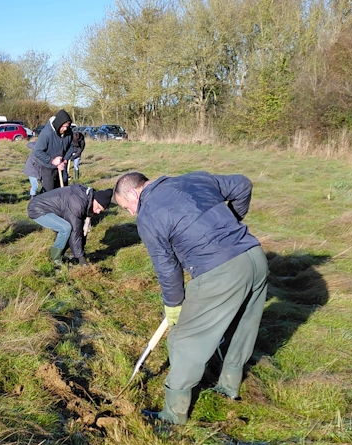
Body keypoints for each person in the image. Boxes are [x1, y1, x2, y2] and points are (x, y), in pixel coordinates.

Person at [113, 171, 268, 425]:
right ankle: (229, 386)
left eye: (127, 207)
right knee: (241, 327)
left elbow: (167, 268)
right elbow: (242, 184)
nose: (131, 213)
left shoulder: (148, 215)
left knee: (184, 338)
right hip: (255, 258)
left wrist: (173, 305)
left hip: (221, 271)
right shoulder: (193, 179)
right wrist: (231, 225)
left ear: (133, 192)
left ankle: (174, 414)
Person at [27, 184, 113, 266]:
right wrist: (81, 258)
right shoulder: (77, 204)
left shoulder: (86, 198)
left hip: (48, 208)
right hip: (37, 209)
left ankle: (62, 253)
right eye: (98, 207)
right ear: (95, 200)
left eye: (100, 210)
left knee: (70, 229)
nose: (98, 212)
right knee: (65, 228)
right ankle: (55, 259)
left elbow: (80, 229)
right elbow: (75, 231)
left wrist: (80, 252)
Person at [30, 109, 75, 192]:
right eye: (63, 126)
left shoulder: (69, 132)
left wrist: (65, 159)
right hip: (48, 168)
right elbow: (38, 151)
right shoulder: (46, 133)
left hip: (62, 167)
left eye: (67, 126)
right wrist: (52, 161)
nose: (65, 128)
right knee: (50, 193)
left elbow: (71, 146)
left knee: (63, 191)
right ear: (58, 124)